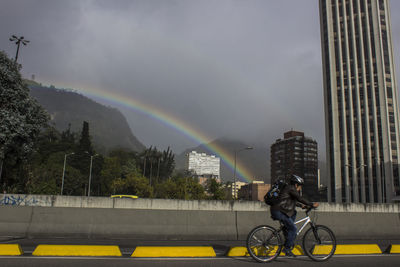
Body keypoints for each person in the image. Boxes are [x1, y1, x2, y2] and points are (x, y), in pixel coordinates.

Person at [270, 174, 319, 257]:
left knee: (294, 213)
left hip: (279, 210)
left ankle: (287, 233)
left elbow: (291, 201)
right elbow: (299, 198)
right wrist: (311, 204)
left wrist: (302, 206)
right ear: (296, 184)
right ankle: (287, 249)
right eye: (300, 186)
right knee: (293, 229)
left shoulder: (288, 189)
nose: (300, 188)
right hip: (279, 211)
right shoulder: (291, 188)